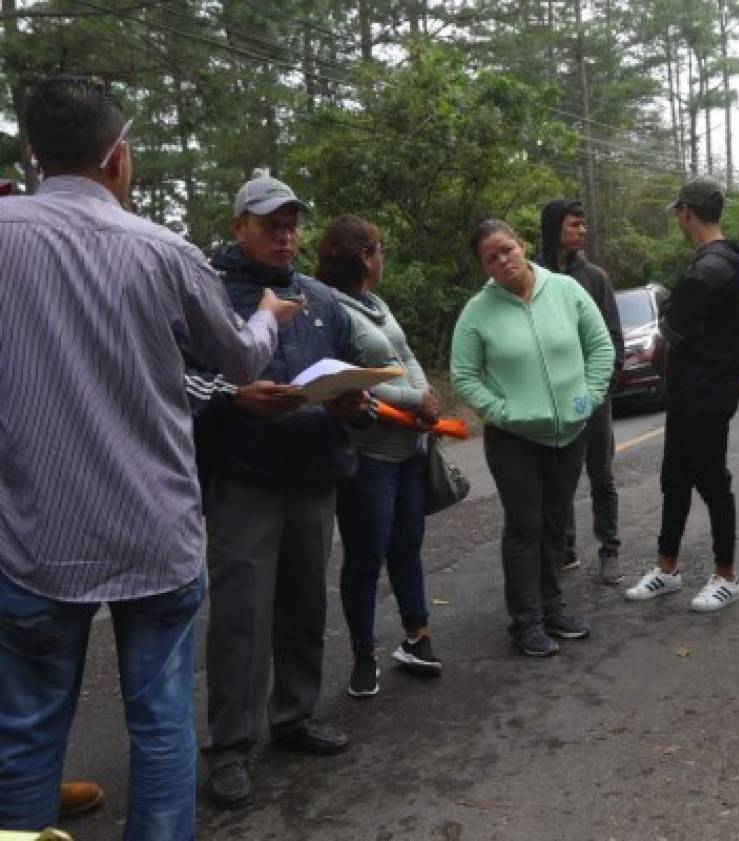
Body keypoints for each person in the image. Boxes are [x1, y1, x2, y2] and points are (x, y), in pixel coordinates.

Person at [0, 76, 292, 838]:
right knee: (160, 725)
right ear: (119, 158)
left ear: (34, 157)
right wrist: (263, 315)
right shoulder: (164, 250)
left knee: (27, 730)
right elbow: (237, 362)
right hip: (154, 534)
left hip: (32, 538)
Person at [199, 176, 371, 809]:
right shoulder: (211, 294)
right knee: (241, 617)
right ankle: (230, 745)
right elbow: (182, 379)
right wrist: (237, 399)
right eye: (272, 223)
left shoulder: (321, 297)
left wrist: (356, 403)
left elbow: (357, 372)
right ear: (239, 223)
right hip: (244, 477)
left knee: (304, 606)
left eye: (293, 223)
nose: (285, 234)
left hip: (313, 471)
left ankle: (295, 717)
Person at [451, 219, 614, 657]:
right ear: (483, 267)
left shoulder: (565, 290)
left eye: (507, 249)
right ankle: (525, 621)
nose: (503, 260)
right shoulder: (477, 312)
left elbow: (600, 346)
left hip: (570, 432)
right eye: (491, 257)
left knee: (556, 524)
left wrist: (592, 394)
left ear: (521, 245)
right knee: (525, 526)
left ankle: (552, 607)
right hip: (514, 438)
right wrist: (500, 412)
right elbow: (464, 376)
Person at [314, 215, 444, 698]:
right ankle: (363, 654)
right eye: (380, 249)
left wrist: (425, 390)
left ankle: (418, 637)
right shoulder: (333, 308)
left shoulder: (375, 303)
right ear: (365, 255)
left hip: (408, 447)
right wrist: (415, 400)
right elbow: (350, 375)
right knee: (366, 557)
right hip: (369, 456)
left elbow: (404, 353)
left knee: (407, 548)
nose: (383, 256)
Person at [624, 176, 739, 612]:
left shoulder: (709, 270)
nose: (678, 219)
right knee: (674, 480)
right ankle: (667, 568)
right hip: (690, 393)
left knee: (713, 481)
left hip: (704, 394)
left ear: (688, 213)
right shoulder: (725, 260)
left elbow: (671, 328)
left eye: (679, 213)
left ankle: (726, 576)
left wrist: (668, 319)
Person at [537, 200, 625, 584]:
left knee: (601, 476)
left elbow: (613, 338)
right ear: (556, 227)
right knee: (558, 480)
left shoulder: (594, 277)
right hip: (551, 398)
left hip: (594, 397)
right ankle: (564, 550)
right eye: (575, 224)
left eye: (584, 225)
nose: (582, 231)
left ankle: (609, 551)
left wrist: (605, 387)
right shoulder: (532, 275)